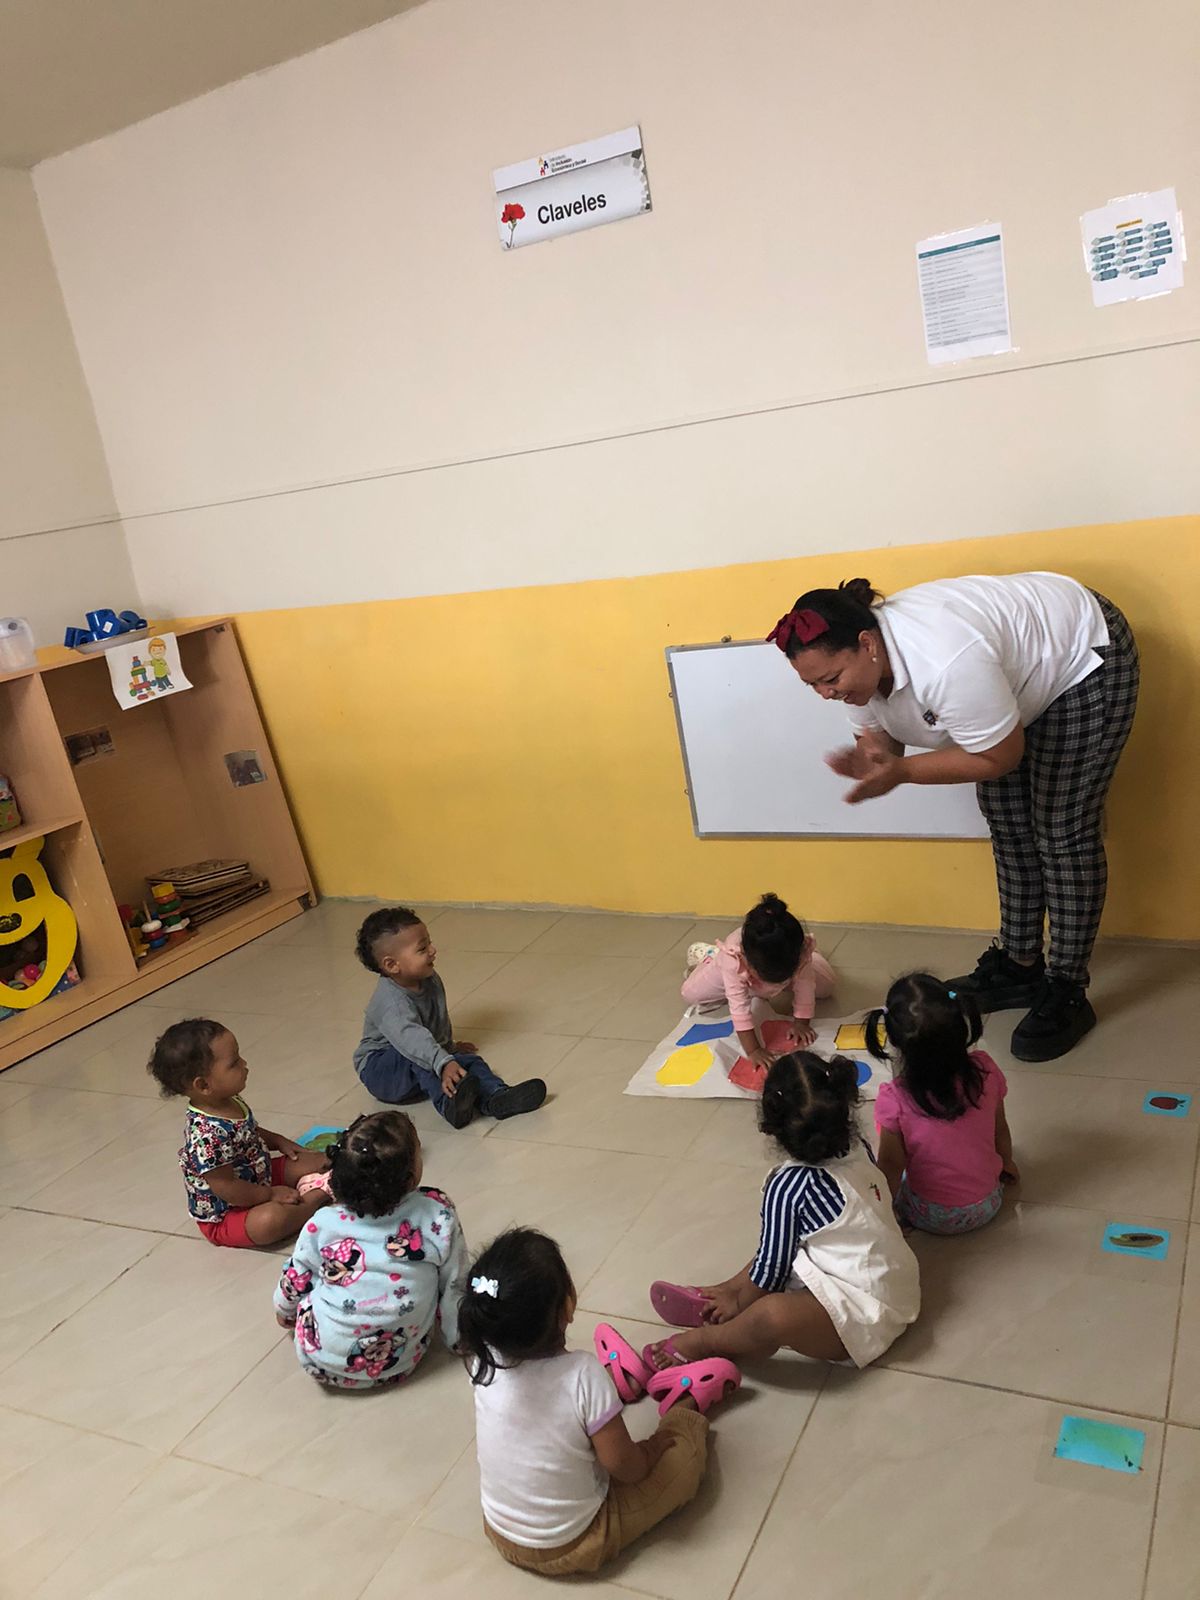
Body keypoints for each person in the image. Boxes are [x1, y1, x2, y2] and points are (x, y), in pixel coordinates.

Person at [766, 573, 1139, 1061]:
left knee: (1060, 829)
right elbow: (879, 743)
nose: (824, 693)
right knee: (1007, 823)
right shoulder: (860, 673)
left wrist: (901, 772)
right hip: (1019, 670)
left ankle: (1067, 986)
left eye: (830, 679)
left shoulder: (943, 661)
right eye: (811, 683)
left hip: (1081, 655)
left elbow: (999, 756)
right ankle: (1018, 965)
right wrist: (873, 762)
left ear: (867, 644)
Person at [459, 1227, 739, 1577]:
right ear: (568, 1304)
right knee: (683, 1465)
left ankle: (623, 1381)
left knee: (579, 1413)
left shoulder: (482, 1363)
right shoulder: (581, 1374)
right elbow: (628, 1467)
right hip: (576, 1541)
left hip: (500, 1531)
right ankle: (683, 1401)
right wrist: (654, 1449)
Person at [645, 1051, 919, 1372]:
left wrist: (744, 1304)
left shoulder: (788, 1186)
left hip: (861, 1322)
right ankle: (728, 1289)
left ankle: (710, 1339)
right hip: (896, 1288)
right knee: (784, 1243)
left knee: (772, 1313)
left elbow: (772, 1272)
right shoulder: (858, 1147)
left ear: (772, 1126)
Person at [272, 1110, 467, 1388]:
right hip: (400, 1362)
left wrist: (284, 1310)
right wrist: (458, 1336)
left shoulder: (322, 1223)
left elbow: (296, 1277)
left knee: (314, 1272)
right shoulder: (436, 1213)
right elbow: (455, 1281)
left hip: (319, 1362)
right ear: (412, 1177)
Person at [353, 906, 546, 1128]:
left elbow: (437, 1019)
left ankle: (495, 1098)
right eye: (422, 948)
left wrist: (448, 1048)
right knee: (422, 1057)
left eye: (430, 943)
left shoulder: (430, 979)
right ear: (391, 965)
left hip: (417, 1059)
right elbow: (412, 1040)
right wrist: (443, 1061)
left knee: (468, 1063)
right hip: (381, 1072)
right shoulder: (390, 1002)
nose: (433, 950)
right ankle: (449, 1104)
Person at [148, 1017, 328, 1247]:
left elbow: (248, 1131)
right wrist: (270, 1194)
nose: (244, 1063)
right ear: (203, 1085)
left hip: (257, 1175)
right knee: (269, 1221)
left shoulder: (228, 1099)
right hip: (229, 1212)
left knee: (315, 1160)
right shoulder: (206, 1136)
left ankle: (320, 1179)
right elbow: (227, 1188)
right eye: (234, 1063)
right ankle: (315, 1199)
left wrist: (279, 1141)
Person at [867, 974, 1018, 1234]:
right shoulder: (985, 1070)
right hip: (988, 1203)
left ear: (895, 1041)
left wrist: (886, 1215)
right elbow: (999, 1128)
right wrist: (1007, 1162)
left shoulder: (895, 1098)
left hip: (930, 1214)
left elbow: (891, 1166)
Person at [681, 892, 835, 1068]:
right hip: (733, 969)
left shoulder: (799, 953)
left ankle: (810, 958)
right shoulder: (734, 959)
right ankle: (710, 954)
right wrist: (753, 1050)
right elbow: (739, 1007)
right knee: (690, 994)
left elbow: (805, 986)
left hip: (785, 962)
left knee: (827, 986)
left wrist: (801, 1023)